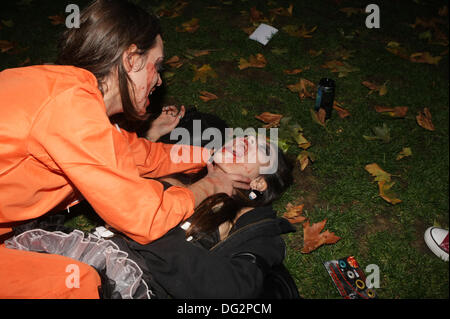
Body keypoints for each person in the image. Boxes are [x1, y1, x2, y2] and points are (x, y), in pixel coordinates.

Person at [0, 0, 250, 298]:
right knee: (75, 284)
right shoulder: (70, 110)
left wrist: (208, 156)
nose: (159, 80)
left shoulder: (69, 94)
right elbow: (146, 217)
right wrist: (212, 184)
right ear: (131, 59)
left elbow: (142, 155)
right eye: (157, 66)